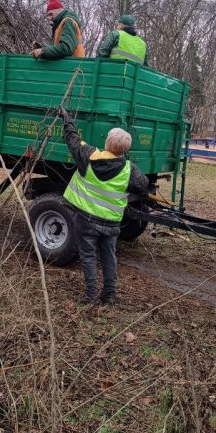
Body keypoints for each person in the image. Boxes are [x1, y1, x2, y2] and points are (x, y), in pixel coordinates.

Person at [59, 107, 149, 306]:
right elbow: (143, 186)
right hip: (111, 224)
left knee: (88, 257)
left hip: (86, 220)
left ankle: (91, 295)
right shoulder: (130, 169)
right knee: (109, 257)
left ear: (107, 142)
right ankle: (108, 295)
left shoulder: (88, 155)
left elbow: (72, 139)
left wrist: (66, 119)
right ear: (126, 149)